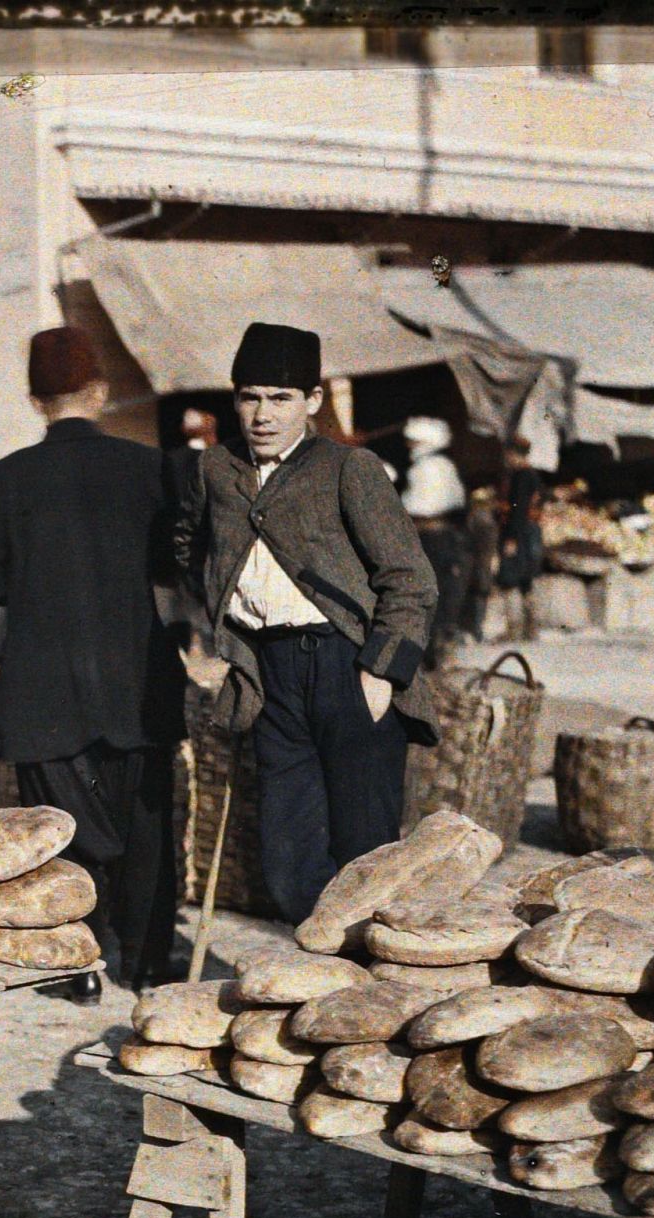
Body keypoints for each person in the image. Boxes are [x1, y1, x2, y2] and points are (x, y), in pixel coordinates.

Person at [173, 322, 438, 926]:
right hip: (271, 675)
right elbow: (186, 545)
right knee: (288, 855)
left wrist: (379, 674)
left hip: (349, 665)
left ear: (313, 402)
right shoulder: (216, 469)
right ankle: (317, 981)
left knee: (364, 852)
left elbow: (410, 579)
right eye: (249, 397)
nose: (262, 414)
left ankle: (367, 995)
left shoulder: (350, 468)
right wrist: (223, 611)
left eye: (280, 398)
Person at [0, 327, 186, 988]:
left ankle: (76, 962)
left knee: (59, 827)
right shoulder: (148, 468)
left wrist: (36, 582)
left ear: (34, 400)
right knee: (145, 828)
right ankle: (145, 964)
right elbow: (173, 566)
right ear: (101, 392)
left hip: (44, 683)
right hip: (136, 679)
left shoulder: (2, 478)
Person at [400, 415, 467, 668]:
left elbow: (420, 506)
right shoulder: (439, 466)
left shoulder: (428, 468)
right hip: (437, 536)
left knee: (431, 592)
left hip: (431, 537)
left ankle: (433, 650)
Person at [493, 436, 546, 642]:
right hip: (530, 531)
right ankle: (531, 629)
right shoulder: (533, 475)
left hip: (519, 532)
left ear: (513, 454)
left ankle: (514, 629)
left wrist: (511, 539)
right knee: (526, 580)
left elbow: (519, 508)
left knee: (508, 579)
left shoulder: (521, 477)